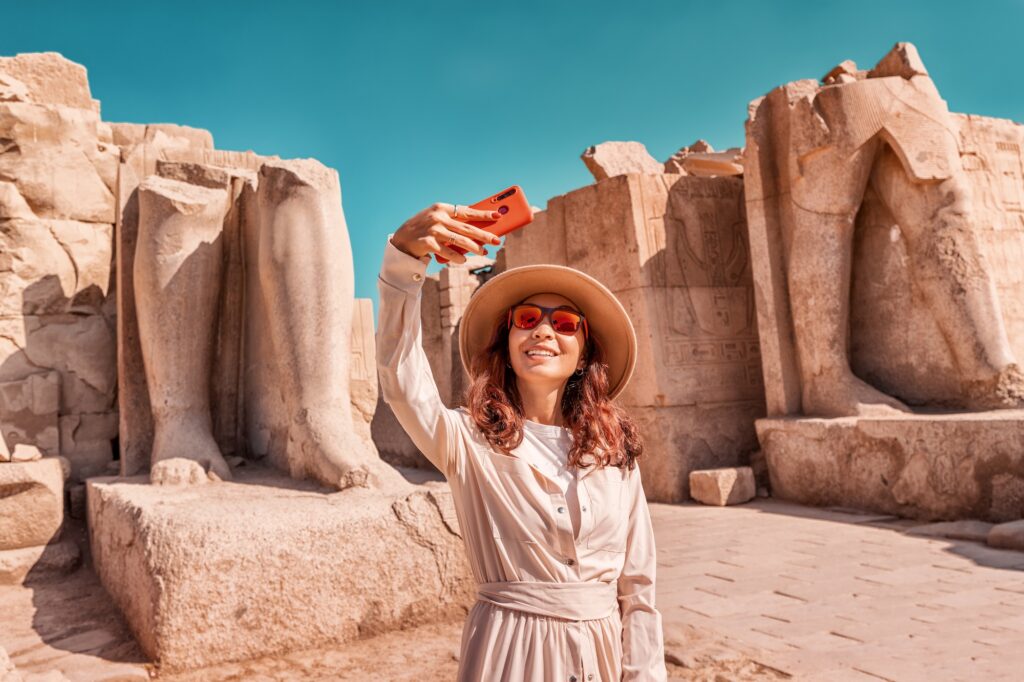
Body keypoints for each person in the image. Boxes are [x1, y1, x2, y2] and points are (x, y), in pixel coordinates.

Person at [376, 201, 667, 681]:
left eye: (566, 323)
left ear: (583, 356)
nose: (545, 330)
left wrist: (646, 675)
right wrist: (404, 259)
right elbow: (401, 378)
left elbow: (638, 588)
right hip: (510, 652)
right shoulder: (468, 441)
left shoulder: (614, 452)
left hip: (603, 656)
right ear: (507, 346)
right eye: (527, 318)